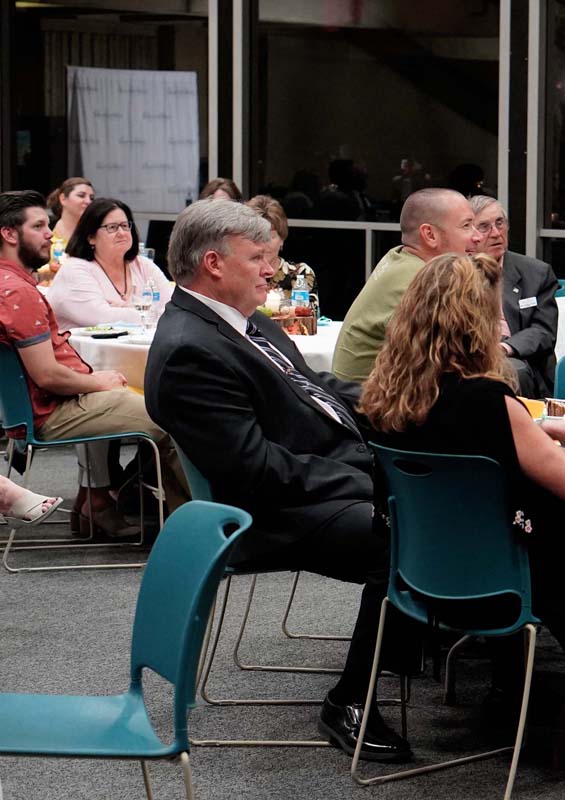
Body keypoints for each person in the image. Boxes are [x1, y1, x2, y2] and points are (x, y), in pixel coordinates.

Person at [360, 252, 565, 780]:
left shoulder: (388, 396)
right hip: (513, 576)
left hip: (421, 577)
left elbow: (460, 431)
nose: (504, 323)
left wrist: (544, 429)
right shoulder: (490, 400)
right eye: (493, 313)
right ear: (471, 322)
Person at [144, 198, 416, 764]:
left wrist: (409, 407)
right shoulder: (190, 351)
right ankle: (351, 700)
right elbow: (253, 471)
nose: (275, 269)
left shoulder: (247, 322)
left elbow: (315, 389)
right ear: (214, 264)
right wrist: (366, 476)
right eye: (261, 257)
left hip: (318, 475)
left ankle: (441, 645)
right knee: (405, 533)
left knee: (446, 493)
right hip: (268, 513)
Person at [0, 190, 186, 537]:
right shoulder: (17, 292)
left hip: (46, 404)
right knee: (176, 415)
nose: (49, 234)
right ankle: (201, 529)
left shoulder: (13, 284)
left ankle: (168, 517)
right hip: (53, 410)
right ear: (9, 234)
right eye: (39, 226)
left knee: (170, 410)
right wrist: (97, 382)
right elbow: (47, 375)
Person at [333, 188, 482, 382]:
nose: (478, 236)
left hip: (364, 396)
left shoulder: (399, 257)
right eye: (466, 226)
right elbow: (454, 362)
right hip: (370, 405)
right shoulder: (423, 281)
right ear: (429, 235)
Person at [469, 195, 559, 397]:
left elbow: (543, 331)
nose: (495, 233)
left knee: (510, 371)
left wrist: (504, 347)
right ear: (470, 233)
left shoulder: (536, 273)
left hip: (516, 356)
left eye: (499, 223)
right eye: (484, 226)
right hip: (468, 352)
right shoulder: (456, 272)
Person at [47, 197, 173, 330]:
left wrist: (125, 310)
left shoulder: (143, 265)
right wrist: (145, 312)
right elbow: (101, 318)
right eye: (112, 227)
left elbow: (174, 308)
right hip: (82, 350)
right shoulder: (74, 269)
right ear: (91, 237)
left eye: (125, 226)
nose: (121, 233)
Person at [245, 194, 316, 295]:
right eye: (258, 236)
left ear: (282, 239)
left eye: (270, 236)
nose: (264, 244)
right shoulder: (238, 273)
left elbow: (306, 310)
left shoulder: (300, 274)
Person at [44, 177, 94, 281]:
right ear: (63, 198)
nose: (88, 201)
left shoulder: (94, 234)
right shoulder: (45, 230)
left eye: (91, 198)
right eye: (81, 195)